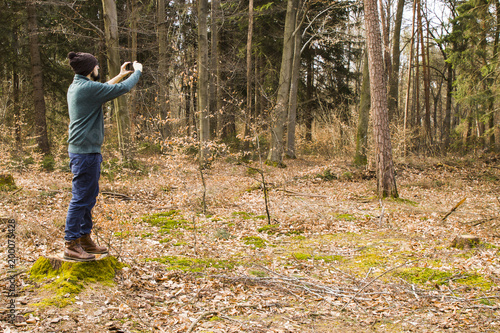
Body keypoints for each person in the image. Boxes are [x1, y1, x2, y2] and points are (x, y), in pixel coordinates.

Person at [64, 51, 142, 261]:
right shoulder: (86, 88)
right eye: (97, 66)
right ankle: (71, 243)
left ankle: (84, 238)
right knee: (81, 198)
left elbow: (105, 88)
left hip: (86, 151)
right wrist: (137, 72)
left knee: (88, 197)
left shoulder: (79, 85)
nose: (98, 69)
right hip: (84, 153)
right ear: (91, 69)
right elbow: (121, 89)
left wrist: (121, 74)